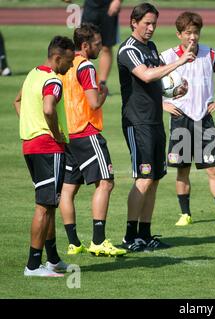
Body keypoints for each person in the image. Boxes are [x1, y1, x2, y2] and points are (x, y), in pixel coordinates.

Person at [118, 3, 195, 252]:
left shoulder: (150, 47)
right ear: (133, 22)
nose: (151, 28)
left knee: (155, 178)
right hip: (137, 122)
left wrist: (173, 90)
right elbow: (146, 75)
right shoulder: (128, 50)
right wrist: (180, 61)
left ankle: (145, 234)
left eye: (154, 23)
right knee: (143, 177)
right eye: (146, 23)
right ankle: (130, 237)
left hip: (154, 120)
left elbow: (158, 81)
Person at [160, 12, 215, 228]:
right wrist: (162, 104)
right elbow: (147, 81)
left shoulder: (210, 54)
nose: (192, 37)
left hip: (204, 120)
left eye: (196, 32)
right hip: (180, 120)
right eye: (188, 33)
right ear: (179, 35)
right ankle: (185, 214)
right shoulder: (166, 57)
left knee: (214, 170)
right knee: (182, 170)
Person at [58, 23, 126, 257]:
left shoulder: (67, 65)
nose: (100, 47)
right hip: (87, 132)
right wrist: (104, 91)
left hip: (69, 134)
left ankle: (73, 242)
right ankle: (98, 240)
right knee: (106, 182)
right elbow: (94, 102)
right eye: (97, 44)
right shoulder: (86, 66)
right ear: (85, 45)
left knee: (68, 190)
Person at [13, 36, 75, 277]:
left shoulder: (32, 74)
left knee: (48, 204)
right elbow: (49, 108)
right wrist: (56, 131)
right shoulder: (52, 80)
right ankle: (32, 265)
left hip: (31, 146)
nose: (70, 66)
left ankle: (53, 260)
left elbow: (17, 101)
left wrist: (32, 126)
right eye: (68, 61)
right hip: (48, 148)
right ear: (57, 58)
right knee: (44, 207)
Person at [82, 0, 122, 86]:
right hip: (90, 5)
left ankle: (101, 84)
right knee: (84, 45)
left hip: (108, 5)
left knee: (106, 47)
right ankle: (82, 80)